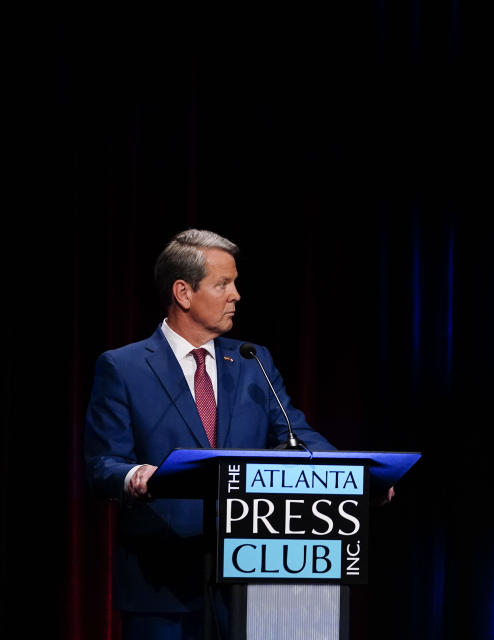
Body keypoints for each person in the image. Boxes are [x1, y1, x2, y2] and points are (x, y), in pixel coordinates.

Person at [84, 229, 336, 638]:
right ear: (184, 293)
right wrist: (136, 476)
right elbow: (101, 465)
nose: (236, 294)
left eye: (234, 283)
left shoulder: (253, 360)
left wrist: (355, 477)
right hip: (161, 587)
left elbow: (297, 433)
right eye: (223, 284)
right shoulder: (123, 367)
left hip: (248, 583)